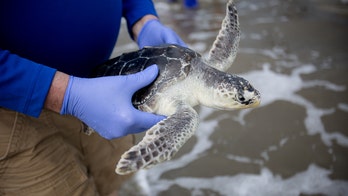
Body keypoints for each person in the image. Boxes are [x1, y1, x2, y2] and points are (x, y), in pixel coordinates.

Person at [0, 0, 186, 195]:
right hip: (15, 107)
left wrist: (143, 19)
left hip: (105, 86)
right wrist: (66, 94)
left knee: (121, 183)